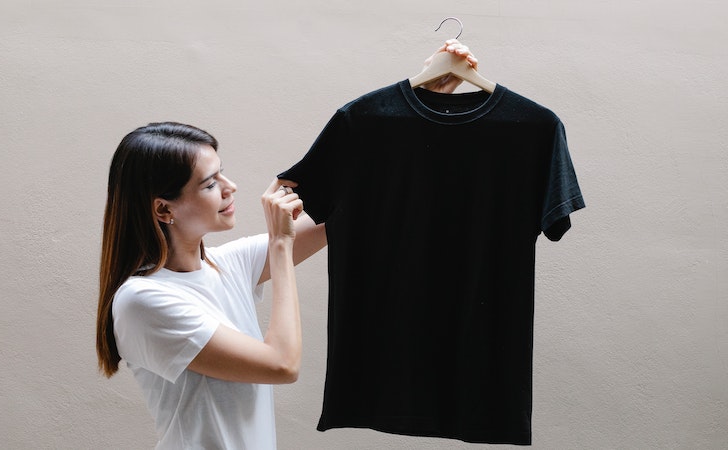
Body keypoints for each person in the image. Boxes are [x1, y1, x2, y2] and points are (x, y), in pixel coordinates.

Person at [94, 39, 481, 450]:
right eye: (210, 184)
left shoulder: (226, 265)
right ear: (163, 210)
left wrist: (422, 104)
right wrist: (280, 244)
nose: (231, 187)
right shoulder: (144, 301)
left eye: (222, 173)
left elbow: (354, 211)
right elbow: (282, 364)